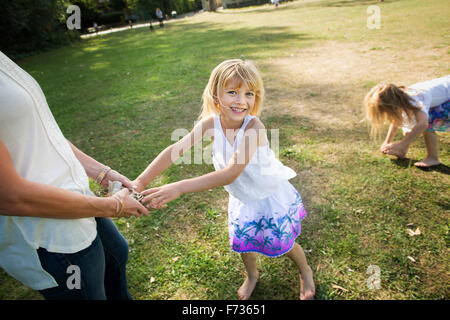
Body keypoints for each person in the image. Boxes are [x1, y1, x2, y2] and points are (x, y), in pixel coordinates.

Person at [132, 59, 315, 300]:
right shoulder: (210, 123)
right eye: (232, 92)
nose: (241, 101)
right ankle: (251, 276)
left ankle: (305, 270)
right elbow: (175, 150)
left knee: (285, 244)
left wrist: (178, 187)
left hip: (267, 195)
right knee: (245, 243)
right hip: (242, 197)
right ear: (216, 94)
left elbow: (230, 172)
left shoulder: (254, 127)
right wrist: (140, 182)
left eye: (249, 94)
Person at [0, 51, 149, 300]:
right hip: (48, 232)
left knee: (116, 254)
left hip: (78, 197)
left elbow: (43, 130)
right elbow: (9, 196)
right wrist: (114, 205)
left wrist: (101, 172)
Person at [364, 75, 450, 167]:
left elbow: (423, 124)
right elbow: (396, 121)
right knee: (409, 121)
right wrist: (387, 142)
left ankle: (433, 158)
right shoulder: (401, 98)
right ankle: (402, 150)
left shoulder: (415, 99)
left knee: (427, 124)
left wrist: (402, 143)